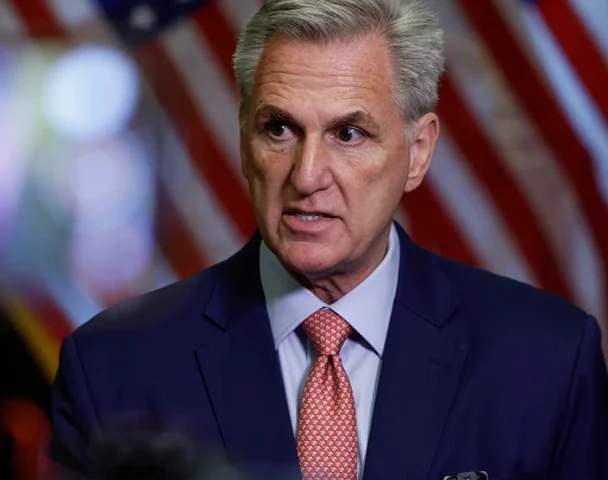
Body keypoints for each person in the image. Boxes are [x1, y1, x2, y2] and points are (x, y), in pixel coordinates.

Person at [50, 0, 608, 478]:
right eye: (280, 129)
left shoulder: (548, 360)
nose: (307, 174)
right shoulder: (111, 370)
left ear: (418, 152)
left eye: (348, 133)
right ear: (245, 140)